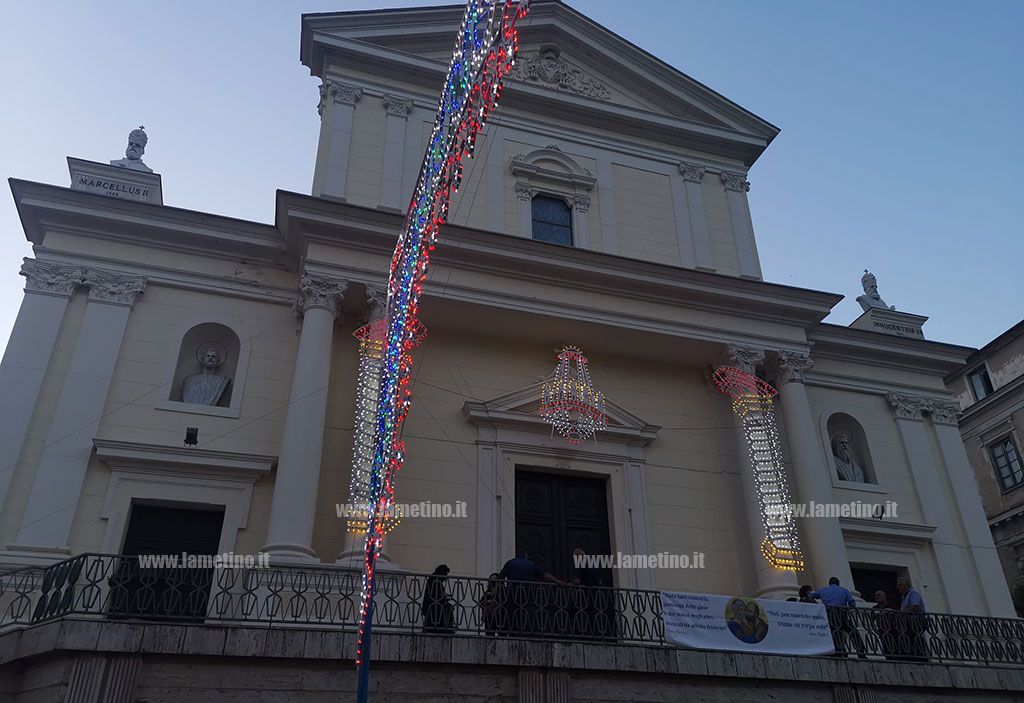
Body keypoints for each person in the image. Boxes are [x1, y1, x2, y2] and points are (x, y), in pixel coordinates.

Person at [498, 550, 565, 634]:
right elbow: (544, 574)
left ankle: (506, 633)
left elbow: (500, 578)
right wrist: (556, 580)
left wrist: (500, 592)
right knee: (521, 614)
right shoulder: (531, 564)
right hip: (525, 594)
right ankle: (520, 632)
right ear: (526, 556)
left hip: (511, 594)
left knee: (509, 615)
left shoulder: (510, 563)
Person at [809, 577, 865, 658]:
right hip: (841, 612)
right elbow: (852, 603)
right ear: (838, 583)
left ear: (829, 583)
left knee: (834, 632)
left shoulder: (823, 590)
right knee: (852, 631)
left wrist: (817, 604)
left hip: (829, 613)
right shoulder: (844, 590)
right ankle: (860, 652)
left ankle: (838, 650)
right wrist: (848, 608)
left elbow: (810, 595)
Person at [897, 576, 928, 660]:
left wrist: (903, 612)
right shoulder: (905, 597)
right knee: (910, 639)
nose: (898, 588)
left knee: (915, 639)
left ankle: (920, 657)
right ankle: (913, 656)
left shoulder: (913, 593)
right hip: (909, 623)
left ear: (906, 585)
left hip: (915, 621)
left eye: (900, 586)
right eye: (898, 586)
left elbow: (915, 606)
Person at [421, 564, 455, 634]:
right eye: (446, 574)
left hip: (433, 604)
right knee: (447, 609)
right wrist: (445, 596)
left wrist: (445, 595)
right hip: (434, 605)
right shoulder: (435, 580)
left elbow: (438, 592)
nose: (446, 577)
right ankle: (445, 628)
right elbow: (437, 592)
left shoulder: (433, 579)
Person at [871, 589, 899, 659]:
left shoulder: (892, 606)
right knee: (887, 652)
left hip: (895, 633)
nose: (877, 597)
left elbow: (899, 617)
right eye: (876, 595)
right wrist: (875, 630)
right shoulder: (875, 608)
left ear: (884, 596)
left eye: (879, 595)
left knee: (897, 651)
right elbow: (871, 620)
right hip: (883, 633)